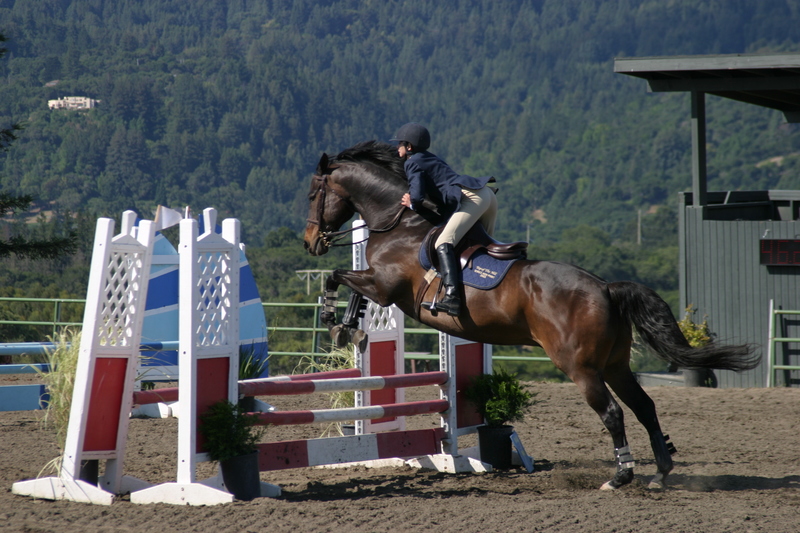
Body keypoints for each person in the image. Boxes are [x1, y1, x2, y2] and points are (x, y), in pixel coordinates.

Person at [392, 122, 498, 316]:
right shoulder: (429, 157)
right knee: (486, 246)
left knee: (443, 242)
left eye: (400, 143)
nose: (397, 146)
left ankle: (452, 298)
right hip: (487, 195)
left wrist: (411, 203)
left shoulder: (411, 162)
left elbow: (417, 196)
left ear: (409, 147)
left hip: (472, 198)